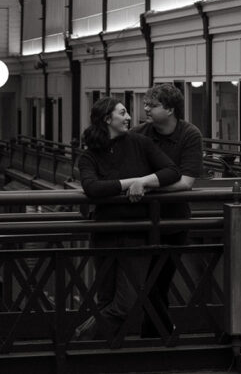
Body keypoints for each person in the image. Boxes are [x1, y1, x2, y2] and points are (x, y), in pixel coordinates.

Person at [75, 96, 180, 341]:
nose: (129, 117)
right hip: (105, 234)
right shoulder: (90, 155)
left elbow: (172, 171)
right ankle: (97, 356)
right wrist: (130, 183)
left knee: (125, 303)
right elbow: (93, 188)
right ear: (106, 119)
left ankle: (78, 341)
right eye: (122, 113)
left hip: (137, 233)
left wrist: (144, 182)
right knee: (106, 299)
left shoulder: (140, 143)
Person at [131, 83, 203, 337]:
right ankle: (161, 334)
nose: (146, 108)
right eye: (146, 103)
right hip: (141, 222)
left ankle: (156, 335)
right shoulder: (138, 134)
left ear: (171, 109)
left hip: (174, 222)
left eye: (153, 105)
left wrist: (148, 186)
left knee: (158, 281)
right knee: (148, 283)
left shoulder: (189, 134)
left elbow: (187, 182)